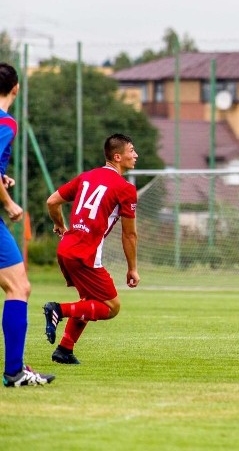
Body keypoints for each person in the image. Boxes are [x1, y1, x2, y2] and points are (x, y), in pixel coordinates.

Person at [43, 133, 140, 364]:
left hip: (66, 249)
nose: (135, 155)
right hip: (85, 254)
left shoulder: (87, 177)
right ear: (117, 157)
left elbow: (51, 201)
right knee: (111, 307)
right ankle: (58, 309)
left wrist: (60, 225)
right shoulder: (125, 188)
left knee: (88, 300)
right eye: (131, 151)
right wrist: (132, 268)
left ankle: (64, 349)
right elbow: (130, 234)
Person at [0, 63, 55, 387]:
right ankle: (15, 371)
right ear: (16, 88)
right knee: (19, 287)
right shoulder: (6, 122)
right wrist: (9, 203)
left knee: (18, 286)